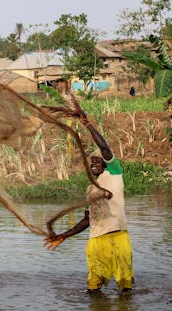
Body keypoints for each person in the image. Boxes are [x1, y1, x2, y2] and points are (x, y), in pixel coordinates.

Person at [43, 110, 134, 294]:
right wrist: (63, 236)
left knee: (126, 286)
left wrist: (87, 124)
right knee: (93, 288)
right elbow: (87, 220)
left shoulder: (114, 173)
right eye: (91, 161)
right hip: (96, 240)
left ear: (106, 163)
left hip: (118, 237)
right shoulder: (91, 189)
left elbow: (105, 148)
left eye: (97, 161)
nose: (93, 164)